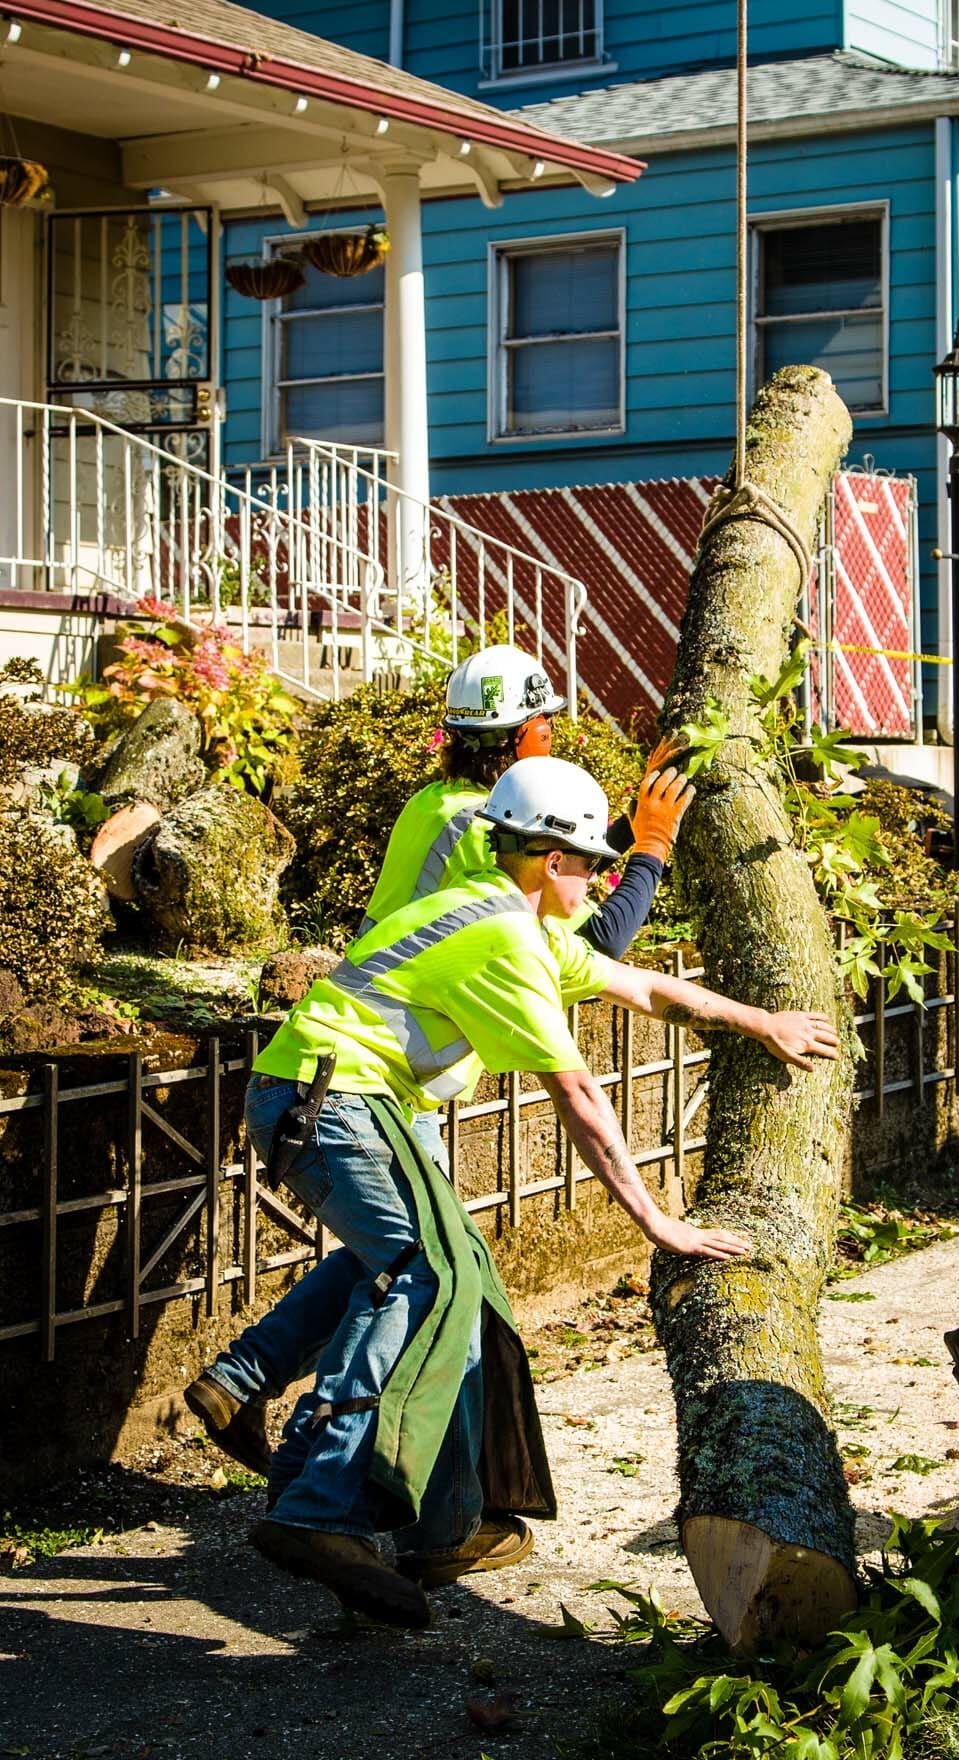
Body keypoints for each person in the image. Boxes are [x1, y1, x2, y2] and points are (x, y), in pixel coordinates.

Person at [243, 757, 839, 1624]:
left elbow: (645, 988)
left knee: (462, 1278)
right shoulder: (503, 936)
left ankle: (439, 1526)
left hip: (334, 1101)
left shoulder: (513, 915)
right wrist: (658, 1224)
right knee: (428, 1271)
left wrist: (763, 1022)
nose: (605, 879)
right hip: (331, 1104)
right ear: (549, 860)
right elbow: (579, 1097)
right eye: (595, 863)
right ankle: (320, 1500)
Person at [184, 645, 691, 1483]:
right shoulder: (478, 823)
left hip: (378, 1069)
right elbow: (596, 940)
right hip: (380, 1083)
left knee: (394, 1252)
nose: (555, 739)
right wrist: (650, 850)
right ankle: (317, 1451)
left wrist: (626, 828)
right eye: (549, 726)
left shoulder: (445, 802)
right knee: (424, 1264)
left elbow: (560, 870)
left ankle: (245, 1382)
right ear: (527, 731)